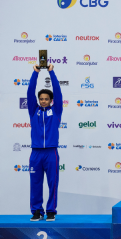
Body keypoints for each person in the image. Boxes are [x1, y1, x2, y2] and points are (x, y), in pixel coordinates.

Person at [28, 64, 63, 221]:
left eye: (46, 99)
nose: (43, 101)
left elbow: (58, 91)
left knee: (52, 183)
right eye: (41, 99)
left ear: (51, 100)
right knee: (35, 183)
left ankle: (51, 211)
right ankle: (36, 211)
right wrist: (35, 73)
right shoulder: (33, 110)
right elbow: (30, 92)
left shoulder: (56, 111)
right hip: (35, 153)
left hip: (51, 153)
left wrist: (51, 72)